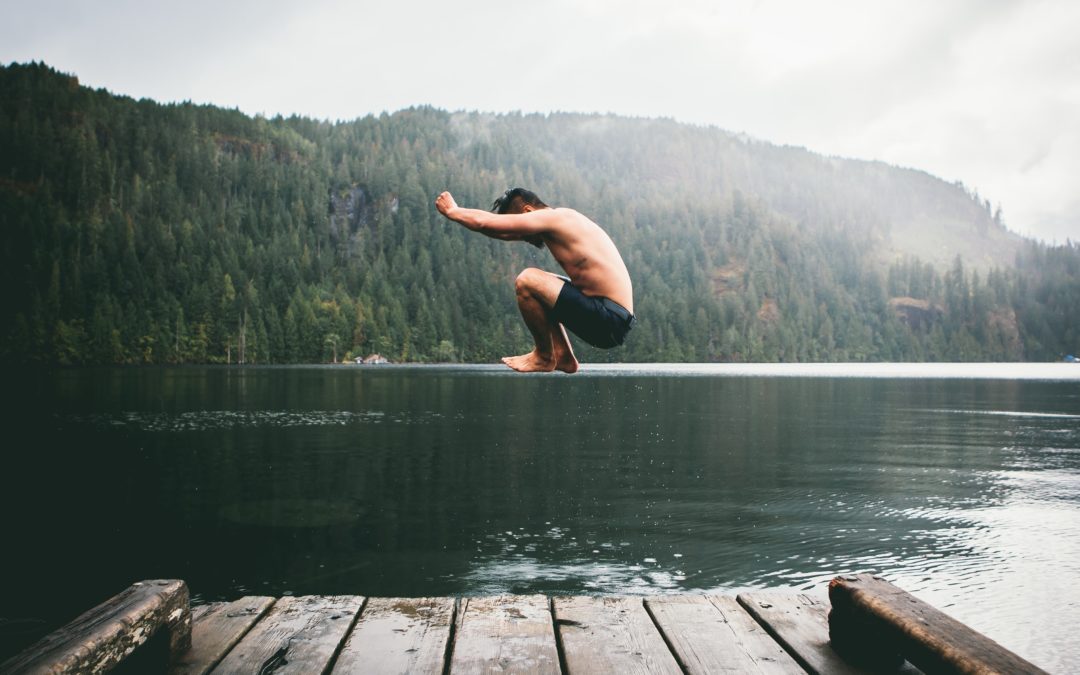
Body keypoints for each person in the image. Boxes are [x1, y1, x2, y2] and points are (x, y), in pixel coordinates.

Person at [435, 187, 634, 373]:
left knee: (528, 280)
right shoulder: (562, 220)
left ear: (528, 211)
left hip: (609, 318)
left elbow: (484, 223)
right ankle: (562, 355)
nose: (523, 238)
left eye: (521, 229)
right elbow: (499, 231)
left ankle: (545, 356)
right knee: (544, 284)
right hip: (611, 317)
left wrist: (454, 211)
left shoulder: (553, 218)